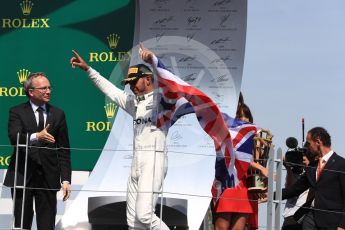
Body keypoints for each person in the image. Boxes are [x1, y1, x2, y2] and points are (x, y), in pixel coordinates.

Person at [70, 45, 169, 229]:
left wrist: (153, 60)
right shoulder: (134, 103)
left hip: (154, 159)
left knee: (145, 215)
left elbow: (170, 82)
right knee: (133, 221)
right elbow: (111, 91)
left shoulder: (162, 101)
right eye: (129, 83)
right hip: (137, 160)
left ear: (147, 80)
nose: (131, 87)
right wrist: (88, 69)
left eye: (134, 82)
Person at [4, 72, 71, 230]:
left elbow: (64, 149)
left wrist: (66, 179)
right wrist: (36, 136)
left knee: (47, 225)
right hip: (22, 175)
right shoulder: (17, 111)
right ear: (31, 92)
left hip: (48, 178)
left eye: (49, 87)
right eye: (43, 88)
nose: (48, 91)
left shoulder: (58, 114)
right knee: (22, 224)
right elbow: (15, 137)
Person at [213, 103, 268, 230]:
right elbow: (237, 157)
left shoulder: (255, 140)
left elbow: (255, 163)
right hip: (228, 184)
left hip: (244, 187)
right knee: (222, 227)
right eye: (240, 116)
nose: (243, 119)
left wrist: (261, 183)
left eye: (246, 116)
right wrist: (261, 169)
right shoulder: (228, 136)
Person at [282, 127, 345, 229]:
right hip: (311, 219)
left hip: (332, 222)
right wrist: (271, 194)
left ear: (318, 142)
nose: (308, 147)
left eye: (309, 143)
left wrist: (342, 225)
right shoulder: (312, 166)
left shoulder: (341, 164)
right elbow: (294, 190)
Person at [281, 143, 315, 230]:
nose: (303, 160)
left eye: (306, 156)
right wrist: (289, 168)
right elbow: (290, 190)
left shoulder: (316, 172)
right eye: (302, 157)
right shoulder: (295, 172)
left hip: (308, 216)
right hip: (291, 216)